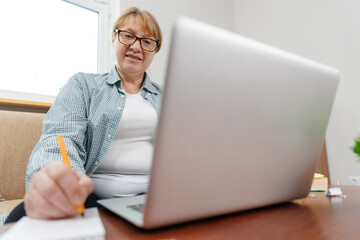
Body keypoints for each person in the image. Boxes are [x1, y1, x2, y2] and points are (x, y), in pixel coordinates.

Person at [5, 6, 163, 222]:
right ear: (114, 38)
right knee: (23, 217)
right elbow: (61, 138)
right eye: (128, 36)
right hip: (94, 197)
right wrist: (59, 181)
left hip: (158, 197)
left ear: (155, 49)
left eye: (147, 41)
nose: (136, 46)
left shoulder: (168, 96)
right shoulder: (83, 85)